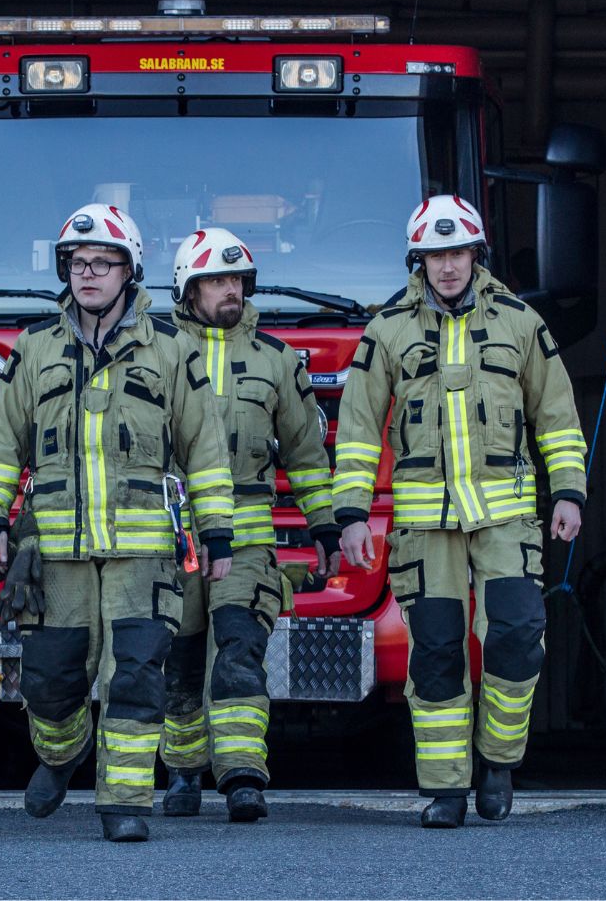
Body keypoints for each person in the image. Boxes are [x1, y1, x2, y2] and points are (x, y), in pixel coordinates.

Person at [0, 204, 235, 842]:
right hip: (55, 556)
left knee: (137, 677)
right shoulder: (33, 351)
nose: (87, 274)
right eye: (77, 263)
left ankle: (124, 803)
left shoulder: (173, 349)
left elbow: (204, 446)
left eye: (102, 263)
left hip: (144, 556)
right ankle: (60, 756)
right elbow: (1, 444)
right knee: (50, 683)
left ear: (130, 270)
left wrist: (217, 531)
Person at [332, 195, 586, 828]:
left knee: (519, 639)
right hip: (425, 529)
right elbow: (359, 430)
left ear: (478, 256)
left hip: (506, 519)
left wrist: (569, 492)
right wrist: (352, 513)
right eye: (434, 255)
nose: (447, 266)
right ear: (418, 261)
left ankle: (498, 760)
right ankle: (445, 787)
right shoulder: (386, 329)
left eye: (457, 253)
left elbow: (556, 413)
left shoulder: (521, 323)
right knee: (437, 655)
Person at [156, 228, 340, 823]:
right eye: (215, 281)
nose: (229, 291)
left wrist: (326, 529)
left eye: (236, 280)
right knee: (178, 661)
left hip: (248, 541)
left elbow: (308, 458)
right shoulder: (153, 351)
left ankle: (241, 777)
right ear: (189, 289)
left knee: (240, 651)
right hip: (171, 539)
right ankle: (183, 774)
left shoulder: (278, 361)